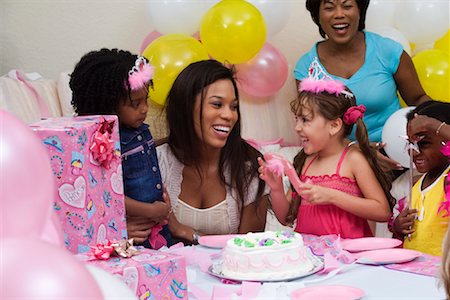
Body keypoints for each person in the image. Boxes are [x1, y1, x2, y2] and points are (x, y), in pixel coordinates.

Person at [258, 65, 393, 238]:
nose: (297, 127)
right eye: (296, 119)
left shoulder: (353, 159)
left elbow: (382, 211)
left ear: (334, 125)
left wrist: (331, 196)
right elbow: (286, 218)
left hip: (348, 257)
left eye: (305, 120)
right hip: (312, 258)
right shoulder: (305, 161)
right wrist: (276, 188)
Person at [294, 0, 430, 171]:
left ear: (360, 11)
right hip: (341, 156)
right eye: (329, 8)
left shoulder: (388, 50)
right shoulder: (307, 67)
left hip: (396, 150)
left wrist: (438, 125)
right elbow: (312, 126)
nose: (339, 14)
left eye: (347, 6)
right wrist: (357, 149)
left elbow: (418, 98)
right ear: (318, 16)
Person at [155, 59, 269, 245]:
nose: (229, 115)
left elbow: (249, 248)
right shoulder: (158, 161)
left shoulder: (251, 167)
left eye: (234, 107)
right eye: (217, 104)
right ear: (186, 107)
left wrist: (187, 232)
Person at [70, 48, 172, 248]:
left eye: (146, 100)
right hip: (127, 233)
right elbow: (105, 193)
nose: (144, 109)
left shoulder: (142, 130)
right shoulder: (102, 142)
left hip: (156, 228)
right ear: (108, 104)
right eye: (135, 104)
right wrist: (149, 211)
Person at [392, 101, 450, 256]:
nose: (414, 152)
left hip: (442, 274)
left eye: (424, 143)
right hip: (415, 274)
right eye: (410, 144)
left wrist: (433, 125)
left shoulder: (447, 179)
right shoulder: (417, 184)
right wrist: (398, 226)